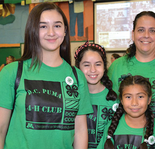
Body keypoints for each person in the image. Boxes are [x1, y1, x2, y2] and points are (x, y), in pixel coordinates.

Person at [0, 2, 93, 149]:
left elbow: (80, 130)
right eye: (43, 26)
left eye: (57, 26)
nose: (51, 32)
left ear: (65, 31)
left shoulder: (77, 76)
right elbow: (1, 128)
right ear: (33, 31)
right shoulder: (11, 72)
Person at [97, 75, 155, 149]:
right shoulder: (111, 126)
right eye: (128, 97)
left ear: (149, 99)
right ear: (121, 100)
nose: (134, 103)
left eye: (140, 97)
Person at [74, 41, 118, 148]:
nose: (93, 70)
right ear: (78, 67)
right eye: (86, 65)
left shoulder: (115, 99)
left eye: (98, 64)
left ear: (104, 67)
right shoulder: (71, 97)